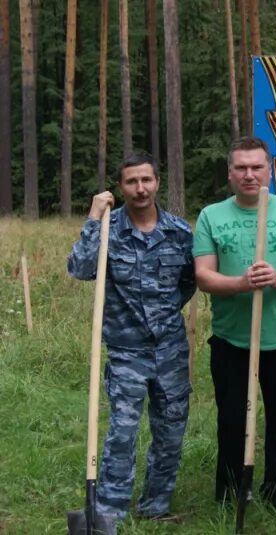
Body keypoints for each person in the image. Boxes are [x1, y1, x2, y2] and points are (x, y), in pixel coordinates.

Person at [67, 153, 196, 521]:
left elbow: (189, 282)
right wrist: (94, 217)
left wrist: (163, 314)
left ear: (157, 182)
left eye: (146, 180)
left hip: (170, 349)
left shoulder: (179, 231)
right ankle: (109, 514)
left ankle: (155, 507)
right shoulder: (109, 228)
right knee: (121, 435)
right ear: (120, 187)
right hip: (126, 352)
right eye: (131, 182)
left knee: (170, 432)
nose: (140, 189)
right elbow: (80, 268)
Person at [193, 136, 276, 507]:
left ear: (270, 169)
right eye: (241, 168)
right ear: (230, 173)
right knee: (231, 421)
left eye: (256, 167)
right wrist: (241, 283)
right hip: (232, 339)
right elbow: (204, 277)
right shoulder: (211, 216)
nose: (249, 174)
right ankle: (231, 495)